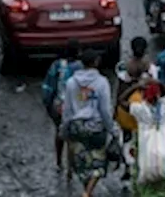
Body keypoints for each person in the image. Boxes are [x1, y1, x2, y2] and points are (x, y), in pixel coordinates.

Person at [61, 49, 117, 197]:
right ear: (96, 62)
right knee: (99, 161)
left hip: (76, 126)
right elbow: (105, 109)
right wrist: (112, 128)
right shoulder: (102, 82)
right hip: (96, 127)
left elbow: (67, 108)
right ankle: (87, 192)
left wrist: (64, 127)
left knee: (82, 161)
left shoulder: (71, 82)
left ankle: (87, 190)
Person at [43, 40, 82, 174]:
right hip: (74, 108)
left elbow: (49, 86)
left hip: (59, 105)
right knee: (72, 137)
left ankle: (59, 162)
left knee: (59, 133)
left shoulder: (57, 65)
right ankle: (70, 167)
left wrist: (48, 104)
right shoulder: (81, 67)